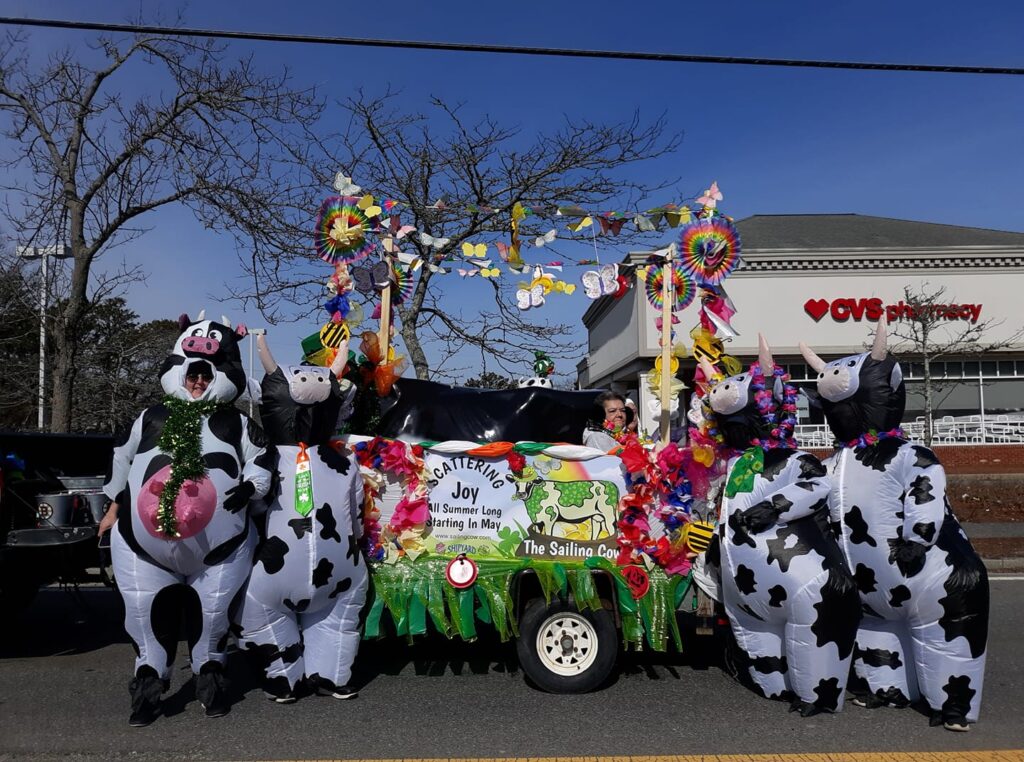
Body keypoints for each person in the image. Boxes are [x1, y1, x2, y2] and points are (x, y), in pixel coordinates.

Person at [101, 312, 273, 727]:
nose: (198, 383)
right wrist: (111, 509)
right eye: (193, 375)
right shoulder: (150, 417)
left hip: (220, 551)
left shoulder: (239, 424)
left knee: (213, 617)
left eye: (206, 375)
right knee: (142, 614)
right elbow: (121, 462)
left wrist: (251, 488)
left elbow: (261, 464)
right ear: (179, 369)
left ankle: (209, 677)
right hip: (143, 547)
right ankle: (148, 682)